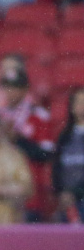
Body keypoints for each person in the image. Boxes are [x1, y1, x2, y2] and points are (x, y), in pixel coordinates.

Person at [0, 65, 54, 221]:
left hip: (29, 192)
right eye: (8, 87)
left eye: (16, 87)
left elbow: (47, 154)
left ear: (26, 90)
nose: (11, 92)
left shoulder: (38, 116)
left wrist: (18, 140)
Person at [52, 86, 84, 223]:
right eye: (78, 102)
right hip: (67, 200)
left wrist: (75, 192)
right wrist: (61, 192)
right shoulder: (65, 136)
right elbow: (57, 166)